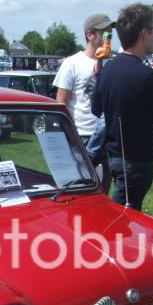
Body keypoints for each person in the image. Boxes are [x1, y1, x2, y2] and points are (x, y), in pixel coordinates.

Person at [92, 3, 153, 210]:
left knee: (122, 209)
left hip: (113, 157)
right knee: (125, 215)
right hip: (136, 162)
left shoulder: (106, 71)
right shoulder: (149, 77)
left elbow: (95, 109)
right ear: (144, 33)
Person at [54, 13, 114, 186]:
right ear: (90, 34)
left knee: (102, 188)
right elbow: (61, 102)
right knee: (77, 188)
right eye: (105, 33)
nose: (108, 38)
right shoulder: (72, 63)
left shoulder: (112, 64)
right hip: (80, 135)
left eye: (110, 34)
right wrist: (69, 134)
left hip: (105, 136)